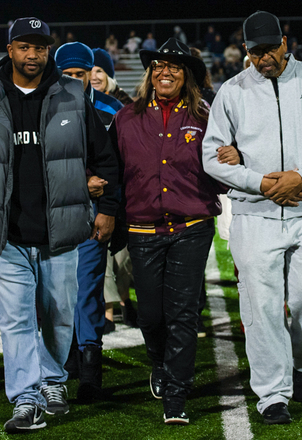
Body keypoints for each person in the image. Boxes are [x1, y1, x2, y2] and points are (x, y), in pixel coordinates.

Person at [0, 17, 118, 434]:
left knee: (59, 314)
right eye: (24, 47)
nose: (33, 55)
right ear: (9, 50)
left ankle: (53, 379)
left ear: (48, 51)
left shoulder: (72, 92)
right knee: (15, 319)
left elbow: (104, 155)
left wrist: (108, 207)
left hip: (60, 231)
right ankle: (26, 398)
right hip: (6, 232)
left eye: (40, 47)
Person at [202, 11, 302, 425]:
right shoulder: (231, 92)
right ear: (245, 50)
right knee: (262, 307)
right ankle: (272, 395)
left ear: (285, 42)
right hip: (255, 212)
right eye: (254, 51)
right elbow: (212, 156)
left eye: (269, 49)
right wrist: (261, 183)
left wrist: (300, 176)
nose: (263, 58)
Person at [110, 38, 223, 425]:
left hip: (191, 227)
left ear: (187, 74)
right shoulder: (126, 118)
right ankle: (158, 362)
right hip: (142, 230)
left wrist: (233, 160)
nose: (166, 72)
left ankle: (176, 395)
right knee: (152, 316)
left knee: (183, 313)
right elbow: (111, 170)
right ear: (150, 74)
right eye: (159, 66)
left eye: (175, 66)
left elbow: (223, 173)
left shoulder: (207, 117)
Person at [54, 41, 123, 399]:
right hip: (53, 214)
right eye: (67, 74)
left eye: (80, 74)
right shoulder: (42, 107)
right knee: (58, 290)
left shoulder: (112, 110)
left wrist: (109, 208)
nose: (75, 80)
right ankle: (68, 362)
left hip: (94, 215)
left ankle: (90, 371)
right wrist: (80, 183)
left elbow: (117, 166)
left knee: (88, 289)